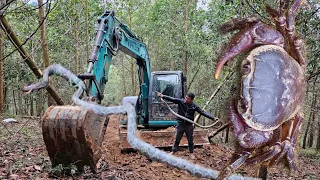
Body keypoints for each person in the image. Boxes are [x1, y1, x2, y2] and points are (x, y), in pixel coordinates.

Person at [157, 92, 217, 159]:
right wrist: (163, 96)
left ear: (192, 100)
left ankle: (191, 153)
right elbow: (172, 99)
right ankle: (173, 151)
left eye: (188, 98)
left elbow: (202, 112)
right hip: (181, 124)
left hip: (189, 125)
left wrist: (212, 118)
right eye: (186, 97)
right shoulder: (181, 102)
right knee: (177, 138)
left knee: (190, 140)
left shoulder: (194, 106)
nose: (186, 99)